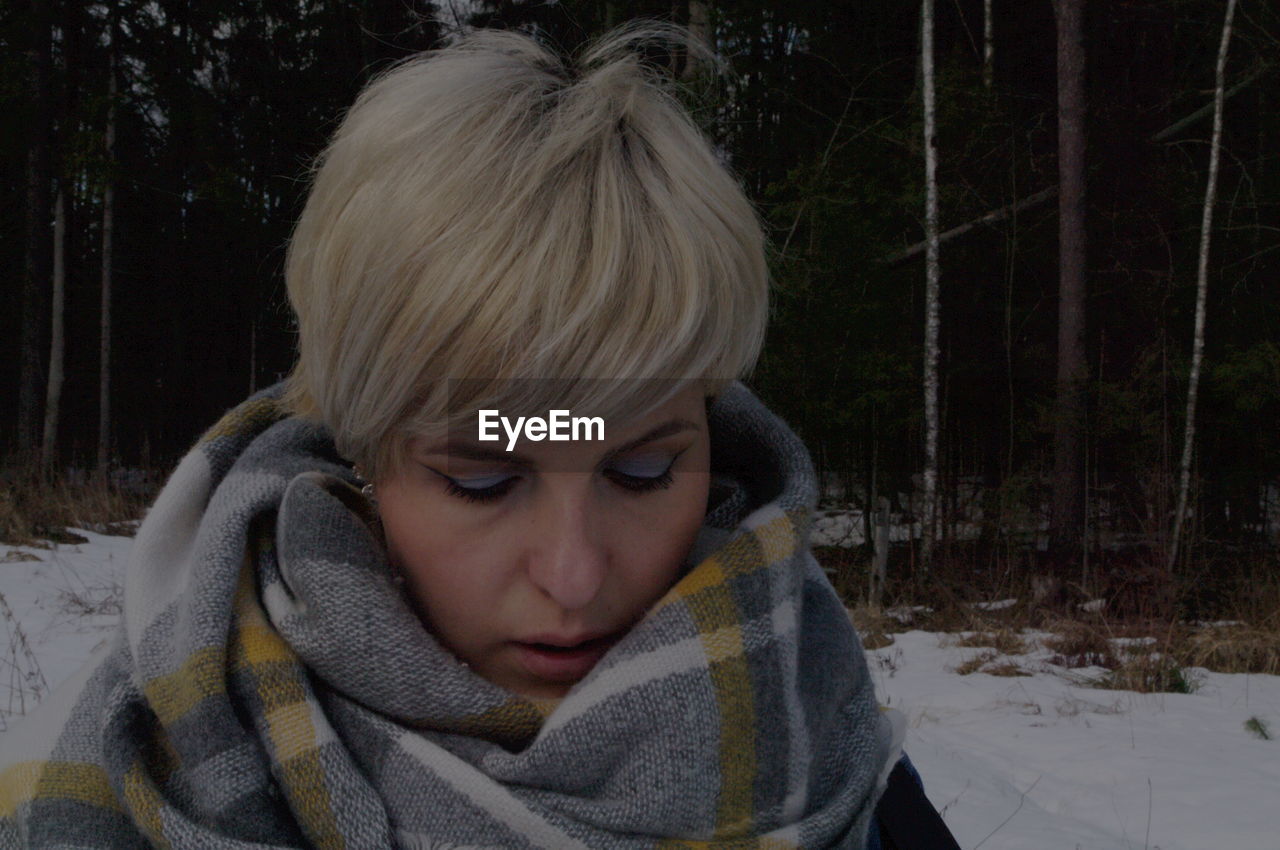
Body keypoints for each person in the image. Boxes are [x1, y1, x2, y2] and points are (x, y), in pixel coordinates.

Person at [0, 26, 956, 849]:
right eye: (486, 480)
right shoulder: (136, 762)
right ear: (361, 454)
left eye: (644, 468)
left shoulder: (834, 753)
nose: (575, 576)